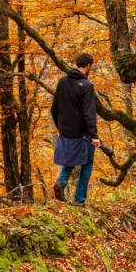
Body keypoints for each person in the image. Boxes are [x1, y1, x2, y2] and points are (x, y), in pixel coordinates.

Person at [51, 53, 100, 205]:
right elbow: (89, 113)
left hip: (65, 132)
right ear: (88, 66)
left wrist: (60, 127)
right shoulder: (87, 86)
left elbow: (54, 108)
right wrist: (94, 135)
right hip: (83, 134)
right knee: (87, 163)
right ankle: (79, 199)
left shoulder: (62, 82)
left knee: (71, 159)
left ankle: (61, 181)